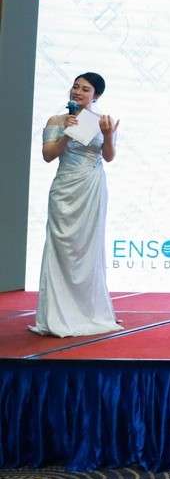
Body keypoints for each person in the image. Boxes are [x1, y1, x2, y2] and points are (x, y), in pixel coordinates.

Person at [32, 72, 122, 337]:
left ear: (96, 95)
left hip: (91, 186)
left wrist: (108, 136)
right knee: (62, 247)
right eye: (75, 87)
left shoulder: (102, 121)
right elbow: (48, 155)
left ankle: (89, 312)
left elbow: (109, 156)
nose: (78, 92)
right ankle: (57, 314)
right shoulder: (57, 120)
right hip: (65, 188)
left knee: (88, 248)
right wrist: (67, 135)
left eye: (85, 89)